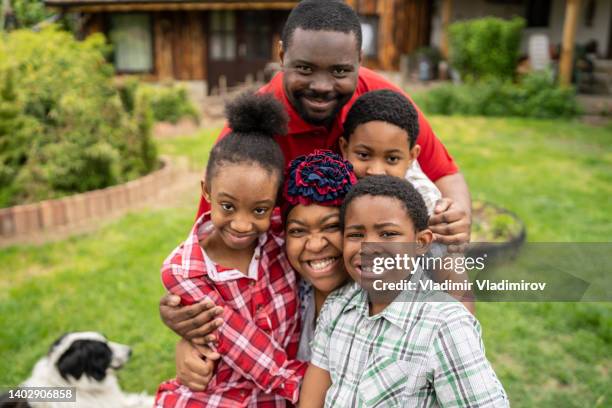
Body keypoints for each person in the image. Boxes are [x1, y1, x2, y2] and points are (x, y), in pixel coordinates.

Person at [300, 176, 508, 407]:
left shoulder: (445, 325)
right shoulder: (337, 306)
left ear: (421, 242)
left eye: (388, 234)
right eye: (356, 235)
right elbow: (313, 396)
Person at [155, 93, 306, 407]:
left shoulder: (280, 239)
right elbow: (241, 345)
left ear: (275, 205)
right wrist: (311, 389)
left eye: (259, 210)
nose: (241, 224)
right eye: (228, 206)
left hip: (276, 397)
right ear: (206, 192)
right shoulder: (186, 270)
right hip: (220, 395)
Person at [340, 89, 441, 215]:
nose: (376, 172)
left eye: (392, 159)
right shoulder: (332, 188)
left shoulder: (426, 200)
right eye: (364, 155)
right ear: (344, 148)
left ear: (411, 157)